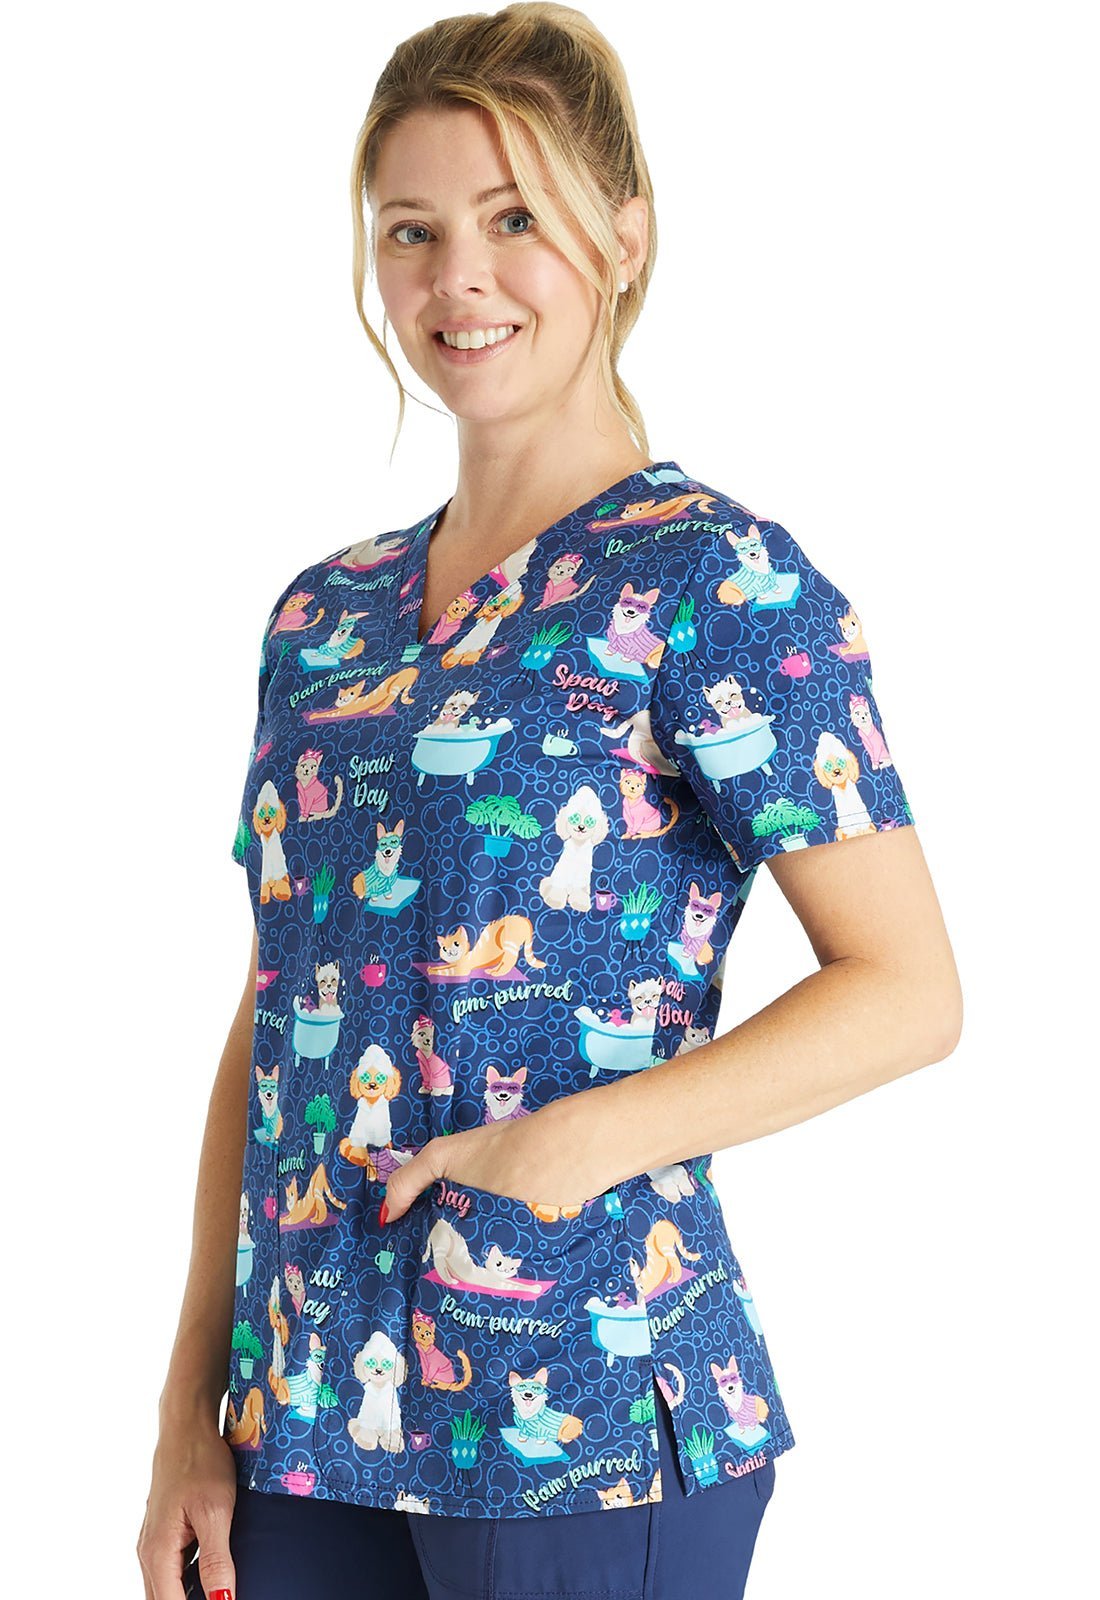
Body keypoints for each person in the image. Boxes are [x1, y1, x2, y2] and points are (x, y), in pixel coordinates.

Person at [137, 5, 963, 1597]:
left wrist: (573, 1145)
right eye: (413, 229)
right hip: (304, 1422)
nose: (460, 276)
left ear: (623, 238)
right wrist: (193, 1407)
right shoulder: (322, 616)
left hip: (582, 1399)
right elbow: (277, 1014)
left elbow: (909, 991)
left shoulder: (719, 581)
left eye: (514, 219)